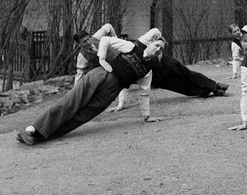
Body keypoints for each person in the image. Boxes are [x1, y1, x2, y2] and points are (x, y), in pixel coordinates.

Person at [16, 33, 166, 145]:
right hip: (100, 75)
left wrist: (147, 116)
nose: (158, 49)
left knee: (82, 116)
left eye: (161, 48)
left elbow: (144, 93)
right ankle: (32, 128)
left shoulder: (148, 70)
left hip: (111, 91)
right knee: (69, 103)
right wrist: (101, 58)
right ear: (150, 43)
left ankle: (40, 137)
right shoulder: (131, 47)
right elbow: (107, 40)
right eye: (157, 45)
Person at [110, 27, 228, 111]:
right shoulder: (120, 69)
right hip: (158, 79)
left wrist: (159, 42)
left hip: (166, 63)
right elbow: (123, 86)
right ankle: (208, 91)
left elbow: (155, 30)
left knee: (188, 74)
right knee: (184, 88)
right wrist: (120, 104)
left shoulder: (138, 45)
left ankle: (215, 86)